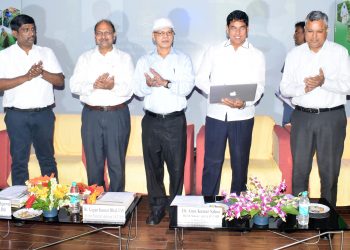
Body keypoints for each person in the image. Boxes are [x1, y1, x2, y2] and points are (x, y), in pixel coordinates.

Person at [280, 11, 350, 207]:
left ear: (326, 30)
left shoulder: (340, 52)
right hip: (302, 118)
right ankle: (300, 218)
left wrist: (323, 82)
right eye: (309, 31)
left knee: (329, 173)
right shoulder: (294, 54)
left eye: (319, 31)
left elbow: (348, 86)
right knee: (300, 172)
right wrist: (304, 87)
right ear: (305, 30)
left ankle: (326, 221)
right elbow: (284, 88)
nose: (314, 36)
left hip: (331, 117)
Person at [196, 10, 265, 196]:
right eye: (233, 28)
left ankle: (238, 211)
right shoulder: (214, 50)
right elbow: (200, 79)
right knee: (212, 163)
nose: (237, 32)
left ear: (247, 30)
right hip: (217, 115)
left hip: (243, 116)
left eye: (242, 28)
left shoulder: (257, 55)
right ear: (227, 29)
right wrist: (218, 94)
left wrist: (243, 102)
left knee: (240, 164)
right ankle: (208, 205)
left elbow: (259, 87)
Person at [133, 18, 194, 225]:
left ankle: (175, 211)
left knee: (176, 168)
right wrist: (149, 84)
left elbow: (187, 87)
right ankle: (157, 209)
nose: (165, 36)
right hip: (151, 122)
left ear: (173, 36)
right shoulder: (144, 61)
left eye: (169, 32)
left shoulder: (183, 59)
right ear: (153, 37)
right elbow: (137, 90)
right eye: (160, 33)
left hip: (175, 122)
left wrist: (165, 82)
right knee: (153, 168)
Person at [70, 19, 134, 192]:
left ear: (114, 36)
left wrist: (112, 86)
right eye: (99, 33)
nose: (103, 36)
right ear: (95, 36)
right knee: (94, 163)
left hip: (117, 115)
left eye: (107, 32)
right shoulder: (85, 58)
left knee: (116, 164)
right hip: (92, 115)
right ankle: (96, 203)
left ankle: (117, 204)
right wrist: (93, 85)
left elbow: (130, 89)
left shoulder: (124, 58)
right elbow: (74, 86)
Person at [0, 14, 64, 185]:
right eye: (25, 30)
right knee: (20, 161)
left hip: (44, 115)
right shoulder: (4, 55)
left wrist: (42, 73)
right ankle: (20, 205)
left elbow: (60, 81)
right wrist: (27, 77)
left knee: (47, 159)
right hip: (17, 116)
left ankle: (52, 203)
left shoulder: (46, 52)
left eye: (33, 29)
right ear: (15, 33)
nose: (31, 33)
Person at [280, 21, 306, 126]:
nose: (294, 35)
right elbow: (285, 79)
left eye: (297, 32)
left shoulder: (314, 55)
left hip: (302, 106)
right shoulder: (292, 54)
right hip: (289, 102)